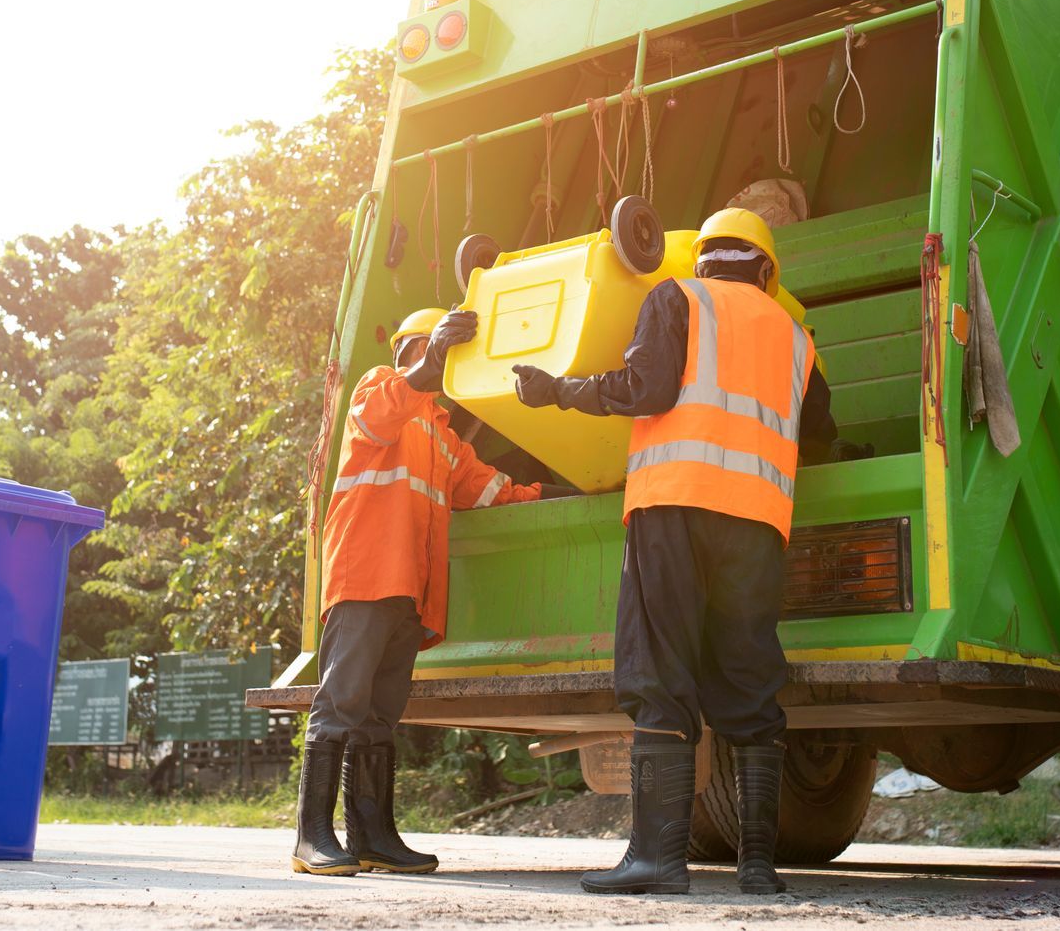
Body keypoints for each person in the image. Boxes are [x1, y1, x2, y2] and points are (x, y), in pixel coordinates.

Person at [513, 207, 844, 897]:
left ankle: (658, 861)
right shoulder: (796, 337)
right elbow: (818, 436)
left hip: (673, 507)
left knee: (659, 673)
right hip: (756, 522)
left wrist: (556, 392)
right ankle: (758, 866)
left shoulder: (678, 298)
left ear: (702, 259)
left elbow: (647, 390)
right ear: (764, 269)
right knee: (751, 679)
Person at [293, 307, 556, 877]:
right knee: (340, 703)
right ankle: (311, 837)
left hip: (408, 592)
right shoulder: (378, 387)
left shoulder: (442, 436)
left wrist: (557, 493)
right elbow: (380, 416)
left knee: (379, 717)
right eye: (440, 353)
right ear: (418, 349)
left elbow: (492, 492)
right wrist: (429, 361)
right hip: (365, 578)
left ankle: (372, 837)